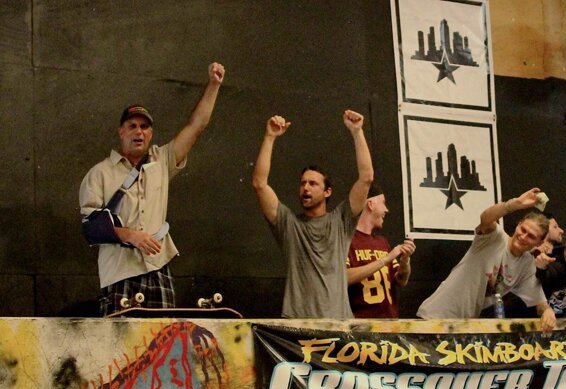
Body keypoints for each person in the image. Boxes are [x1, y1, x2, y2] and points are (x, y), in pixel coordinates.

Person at [79, 62, 225, 316]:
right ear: (121, 132)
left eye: (144, 126)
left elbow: (196, 125)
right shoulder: (100, 172)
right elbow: (90, 227)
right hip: (120, 272)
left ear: (151, 133)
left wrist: (213, 85)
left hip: (158, 267)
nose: (139, 131)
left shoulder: (161, 160)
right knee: (121, 339)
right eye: (132, 126)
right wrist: (130, 235)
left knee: (162, 337)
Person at [252, 110, 373, 319]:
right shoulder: (288, 224)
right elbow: (259, 184)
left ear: (327, 192)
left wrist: (357, 132)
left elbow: (366, 178)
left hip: (338, 324)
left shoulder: (341, 220)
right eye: (302, 183)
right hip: (298, 325)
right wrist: (270, 137)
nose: (305, 188)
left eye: (313, 183)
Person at [416, 188, 556, 333]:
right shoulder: (496, 237)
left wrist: (547, 312)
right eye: (523, 230)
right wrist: (514, 204)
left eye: (531, 236)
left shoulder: (526, 264)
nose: (523, 237)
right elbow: (485, 218)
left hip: (463, 328)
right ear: (518, 225)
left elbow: (540, 303)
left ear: (539, 243)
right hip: (434, 317)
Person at [346, 185, 416, 318]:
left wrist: (405, 261)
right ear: (370, 204)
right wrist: (385, 259)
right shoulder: (347, 241)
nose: (386, 209)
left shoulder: (382, 242)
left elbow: (401, 280)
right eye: (383, 203)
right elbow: (344, 277)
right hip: (362, 325)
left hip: (390, 324)